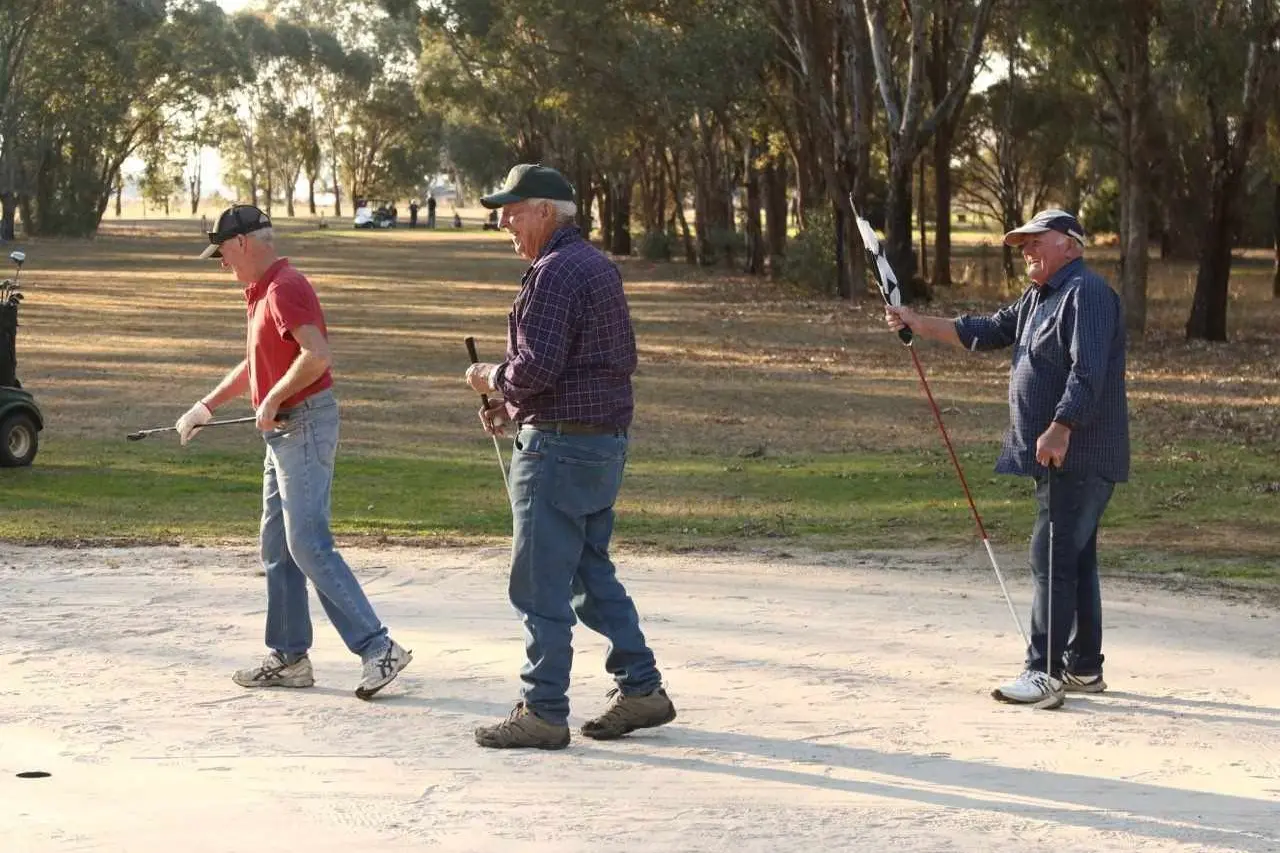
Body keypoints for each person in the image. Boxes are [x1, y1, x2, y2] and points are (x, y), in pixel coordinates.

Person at [463, 164, 676, 749]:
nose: (504, 220)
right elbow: (575, 370)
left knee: (538, 586)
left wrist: (489, 378)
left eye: (513, 209)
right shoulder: (594, 265)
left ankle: (544, 709)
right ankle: (641, 688)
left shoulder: (554, 272)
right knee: (588, 573)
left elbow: (534, 368)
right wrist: (514, 408)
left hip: (558, 451)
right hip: (598, 445)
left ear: (547, 212)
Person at [884, 208, 1128, 705]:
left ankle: (1043, 673)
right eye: (1022, 245)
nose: (1027, 251)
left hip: (1078, 451)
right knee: (1075, 559)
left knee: (1051, 555)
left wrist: (1061, 427)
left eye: (1036, 241)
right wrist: (915, 321)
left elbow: (1088, 374)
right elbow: (986, 330)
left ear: (1069, 243)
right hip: (1061, 454)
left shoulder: (1088, 293)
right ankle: (1082, 667)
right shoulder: (1041, 296)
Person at [177, 203, 412, 699]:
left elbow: (316, 355)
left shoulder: (286, 287)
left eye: (221, 252)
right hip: (282, 430)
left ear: (242, 243)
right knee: (278, 548)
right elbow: (255, 364)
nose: (221, 262)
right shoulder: (260, 292)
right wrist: (206, 406)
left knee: (307, 543)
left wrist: (276, 397)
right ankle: (289, 657)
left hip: (302, 424)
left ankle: (378, 647)